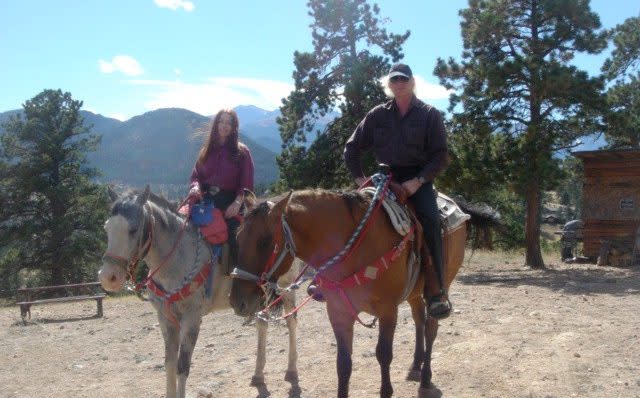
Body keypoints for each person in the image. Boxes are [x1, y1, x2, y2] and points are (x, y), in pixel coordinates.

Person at [343, 63, 451, 319]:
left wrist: (418, 181)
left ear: (412, 82)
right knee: (352, 216)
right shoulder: (378, 115)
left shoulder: (429, 114)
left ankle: (437, 289)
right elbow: (352, 147)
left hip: (417, 180)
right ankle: (339, 278)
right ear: (389, 84)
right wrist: (360, 179)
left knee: (432, 221)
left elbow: (440, 156)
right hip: (384, 177)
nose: (399, 83)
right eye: (394, 80)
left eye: (403, 79)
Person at [187, 109, 254, 273]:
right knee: (184, 228)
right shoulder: (207, 150)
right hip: (207, 199)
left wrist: (237, 203)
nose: (224, 126)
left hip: (231, 201)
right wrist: (195, 187)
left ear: (234, 127)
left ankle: (237, 276)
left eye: (228, 123)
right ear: (216, 124)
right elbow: (196, 176)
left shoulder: (242, 152)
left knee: (234, 236)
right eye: (221, 121)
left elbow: (246, 185)